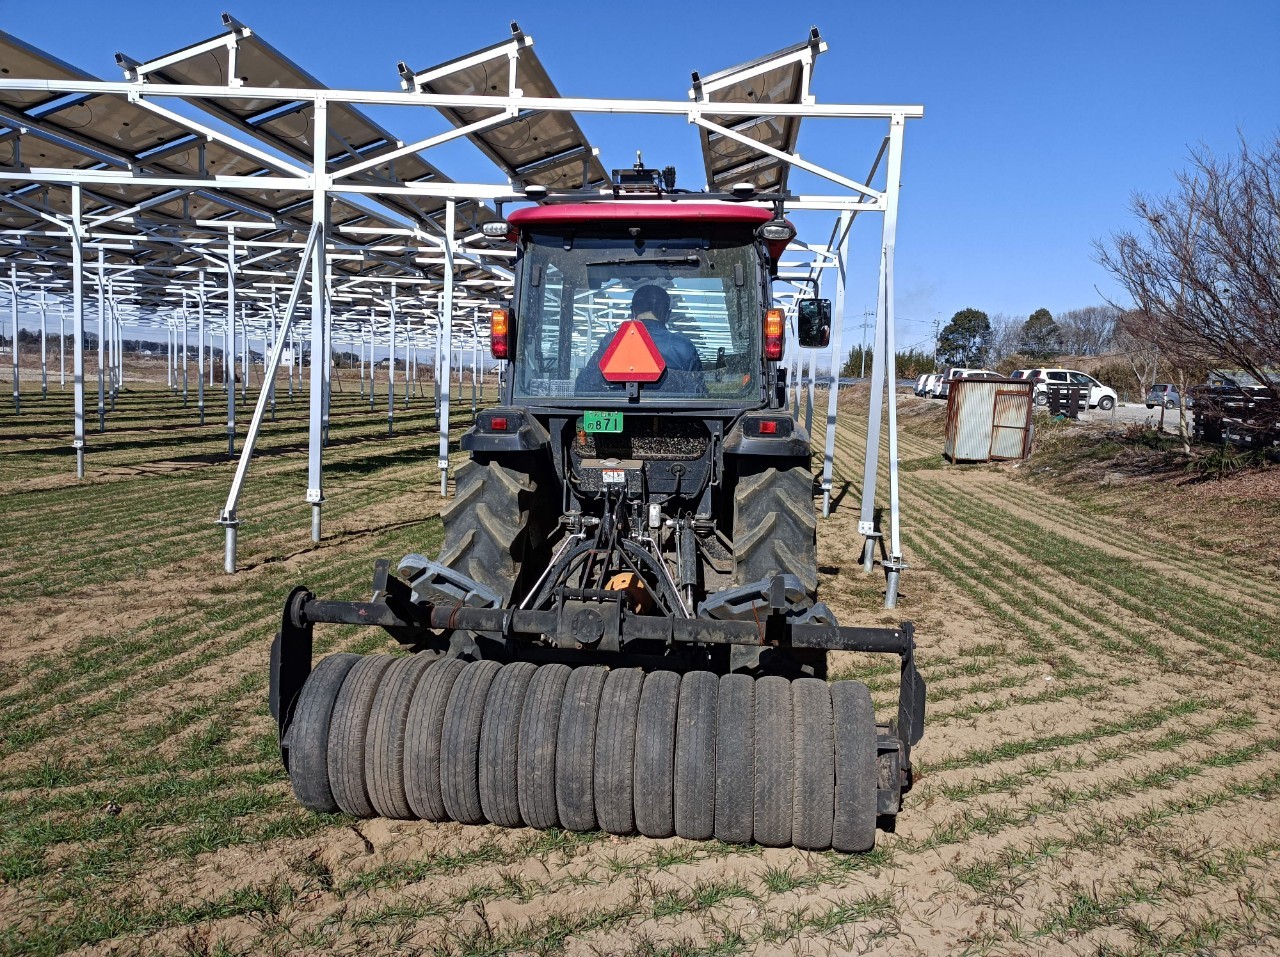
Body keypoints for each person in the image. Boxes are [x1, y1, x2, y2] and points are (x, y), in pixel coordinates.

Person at [575, 285, 706, 395]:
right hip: (670, 423)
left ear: (632, 311)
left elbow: (584, 388)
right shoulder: (684, 347)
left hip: (618, 421)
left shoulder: (611, 343)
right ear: (668, 314)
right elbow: (697, 394)